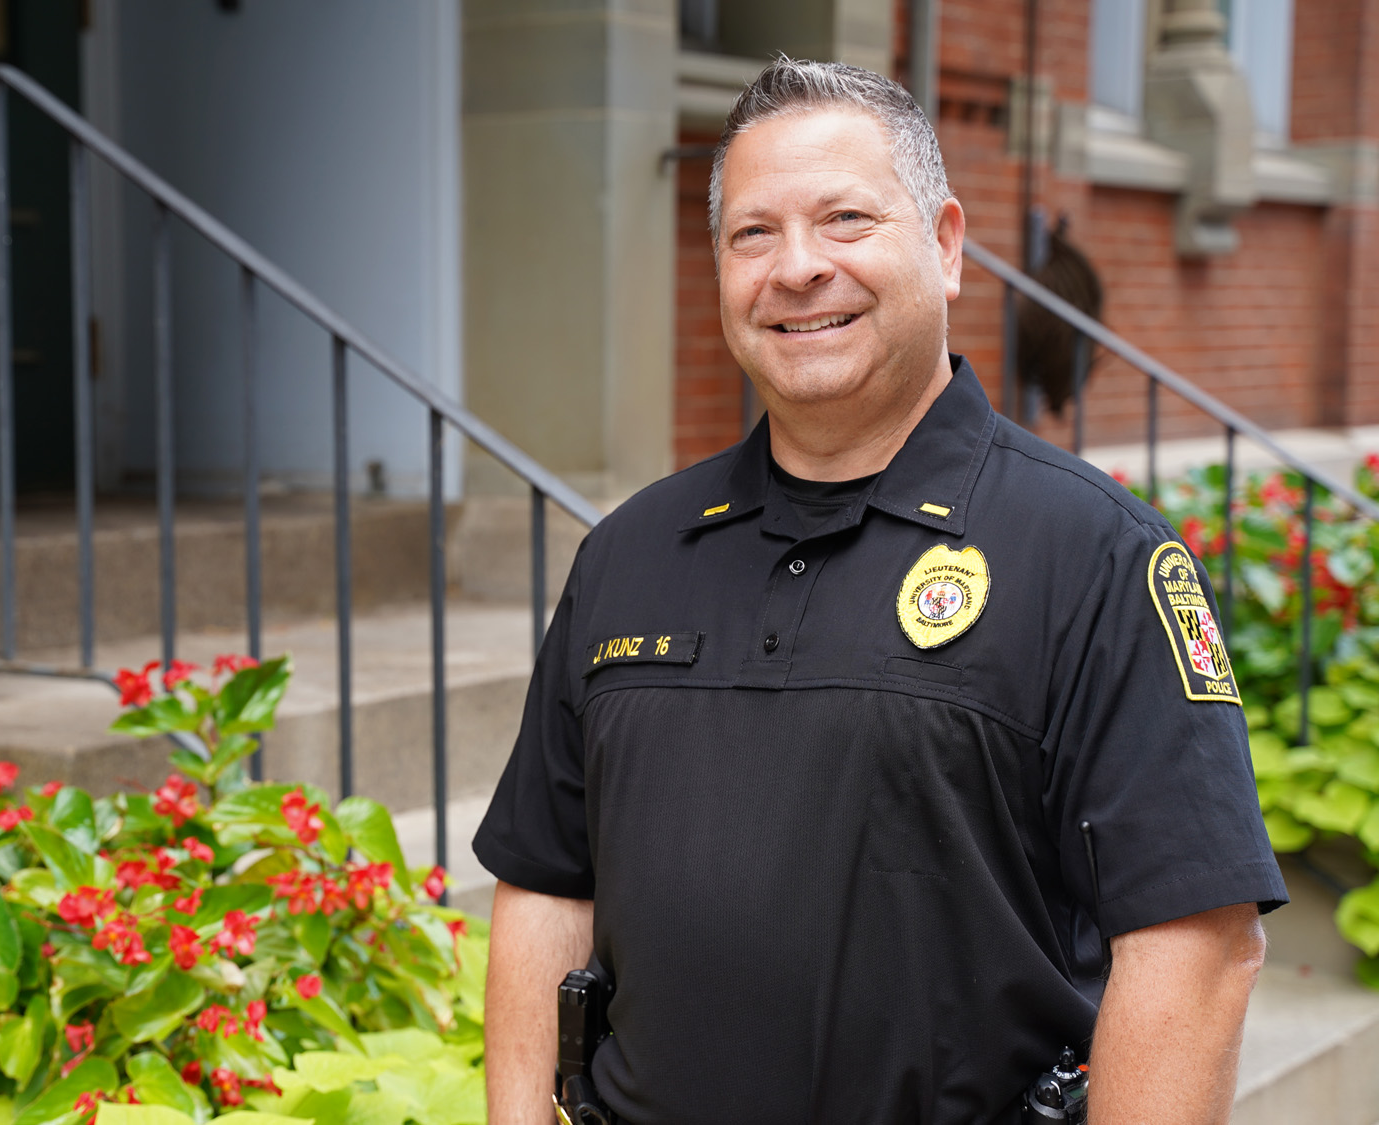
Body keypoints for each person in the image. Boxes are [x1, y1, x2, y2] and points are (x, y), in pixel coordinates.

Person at [473, 58, 1285, 1124]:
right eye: (751, 235)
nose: (796, 268)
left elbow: (1198, 946)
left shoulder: (1091, 556)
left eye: (844, 219)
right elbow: (544, 884)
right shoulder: (629, 554)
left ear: (943, 246)